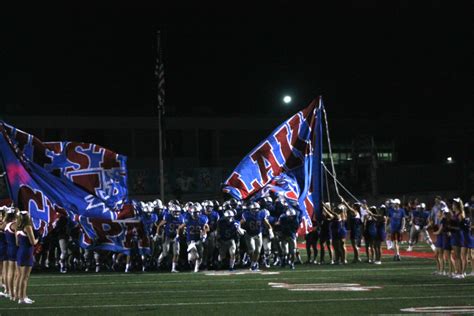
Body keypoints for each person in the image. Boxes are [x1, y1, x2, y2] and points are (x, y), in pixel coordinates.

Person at [240, 202, 273, 271]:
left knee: (258, 251)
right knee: (252, 250)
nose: (255, 211)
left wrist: (270, 231)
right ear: (250, 209)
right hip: (249, 234)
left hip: (258, 234)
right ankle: (251, 258)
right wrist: (240, 228)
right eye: (254, 209)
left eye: (257, 209)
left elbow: (266, 223)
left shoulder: (261, 213)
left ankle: (254, 264)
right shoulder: (246, 214)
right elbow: (241, 222)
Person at [15, 211, 38, 304]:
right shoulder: (27, 227)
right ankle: (22, 297)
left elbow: (17, 243)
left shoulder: (17, 227)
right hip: (27, 252)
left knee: (21, 276)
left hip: (20, 252)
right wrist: (38, 239)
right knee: (25, 277)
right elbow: (33, 242)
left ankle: (21, 297)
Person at [156, 204, 185, 273]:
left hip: (175, 236)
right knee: (165, 253)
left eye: (178, 211)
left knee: (177, 253)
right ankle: (158, 261)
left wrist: (181, 233)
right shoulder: (168, 216)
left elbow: (182, 227)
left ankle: (173, 268)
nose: (176, 213)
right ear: (171, 211)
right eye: (175, 212)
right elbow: (159, 225)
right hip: (167, 236)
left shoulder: (181, 217)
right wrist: (157, 234)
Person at [4, 207, 18, 300]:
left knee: (10, 272)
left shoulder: (6, 224)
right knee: (17, 273)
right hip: (15, 249)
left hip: (9, 249)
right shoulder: (15, 225)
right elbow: (18, 241)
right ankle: (14, 293)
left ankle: (9, 292)